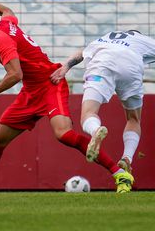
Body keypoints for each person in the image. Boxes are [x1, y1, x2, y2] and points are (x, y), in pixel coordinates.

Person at [0, 0, 134, 193]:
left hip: (50, 84)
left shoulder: (1, 40)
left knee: (64, 134)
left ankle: (120, 175)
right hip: (30, 92)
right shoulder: (6, 24)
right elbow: (6, 10)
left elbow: (15, 75)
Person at [51, 30, 155, 173]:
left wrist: (65, 67)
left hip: (102, 64)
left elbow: (81, 53)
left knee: (89, 113)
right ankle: (127, 158)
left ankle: (95, 130)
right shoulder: (145, 41)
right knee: (133, 119)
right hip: (130, 67)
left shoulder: (107, 37)